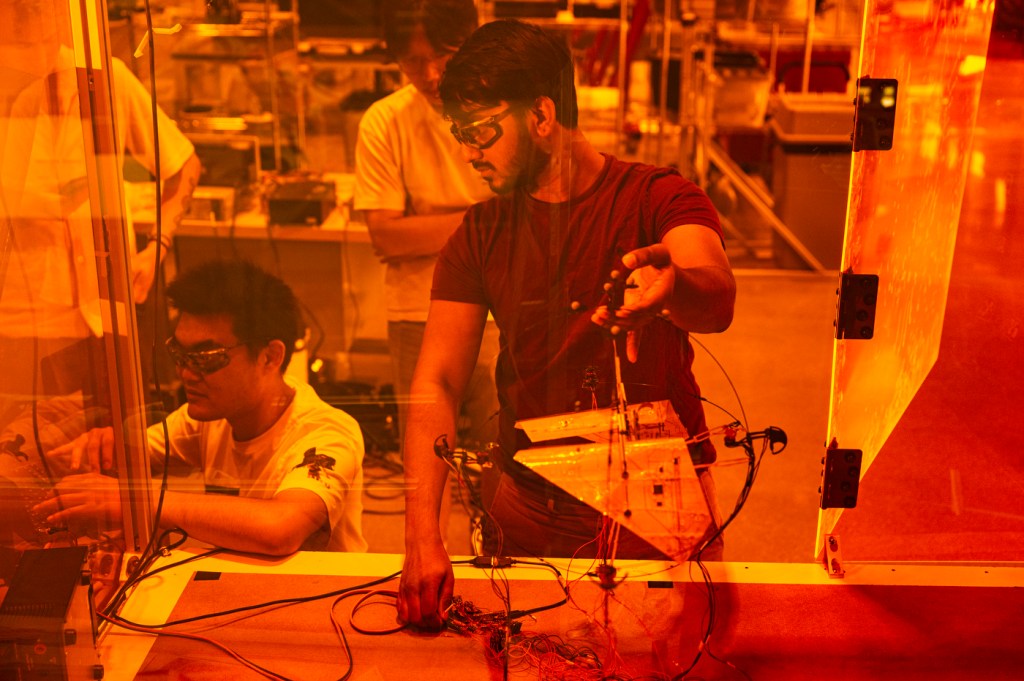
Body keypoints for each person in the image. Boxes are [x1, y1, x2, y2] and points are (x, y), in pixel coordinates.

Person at [398, 19, 736, 628]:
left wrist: (674, 287)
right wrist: (422, 533)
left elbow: (716, 300)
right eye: (459, 131)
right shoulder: (481, 233)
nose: (468, 150)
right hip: (530, 499)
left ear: (542, 115)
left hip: (659, 495)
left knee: (677, 659)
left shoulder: (657, 199)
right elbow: (436, 382)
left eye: (479, 130)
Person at [33, 260, 367, 555]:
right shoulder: (211, 416)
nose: (186, 373)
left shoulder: (327, 433)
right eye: (179, 354)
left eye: (205, 358)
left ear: (270, 356)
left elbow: (280, 528)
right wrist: (103, 447)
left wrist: (136, 500)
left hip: (325, 603)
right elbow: (130, 454)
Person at [353, 0, 500, 452]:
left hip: (503, 309)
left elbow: (537, 218)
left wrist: (422, 228)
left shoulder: (505, 110)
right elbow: (387, 237)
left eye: (446, 57)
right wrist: (490, 216)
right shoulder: (385, 121)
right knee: (425, 460)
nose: (432, 75)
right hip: (419, 312)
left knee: (508, 457)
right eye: (414, 61)